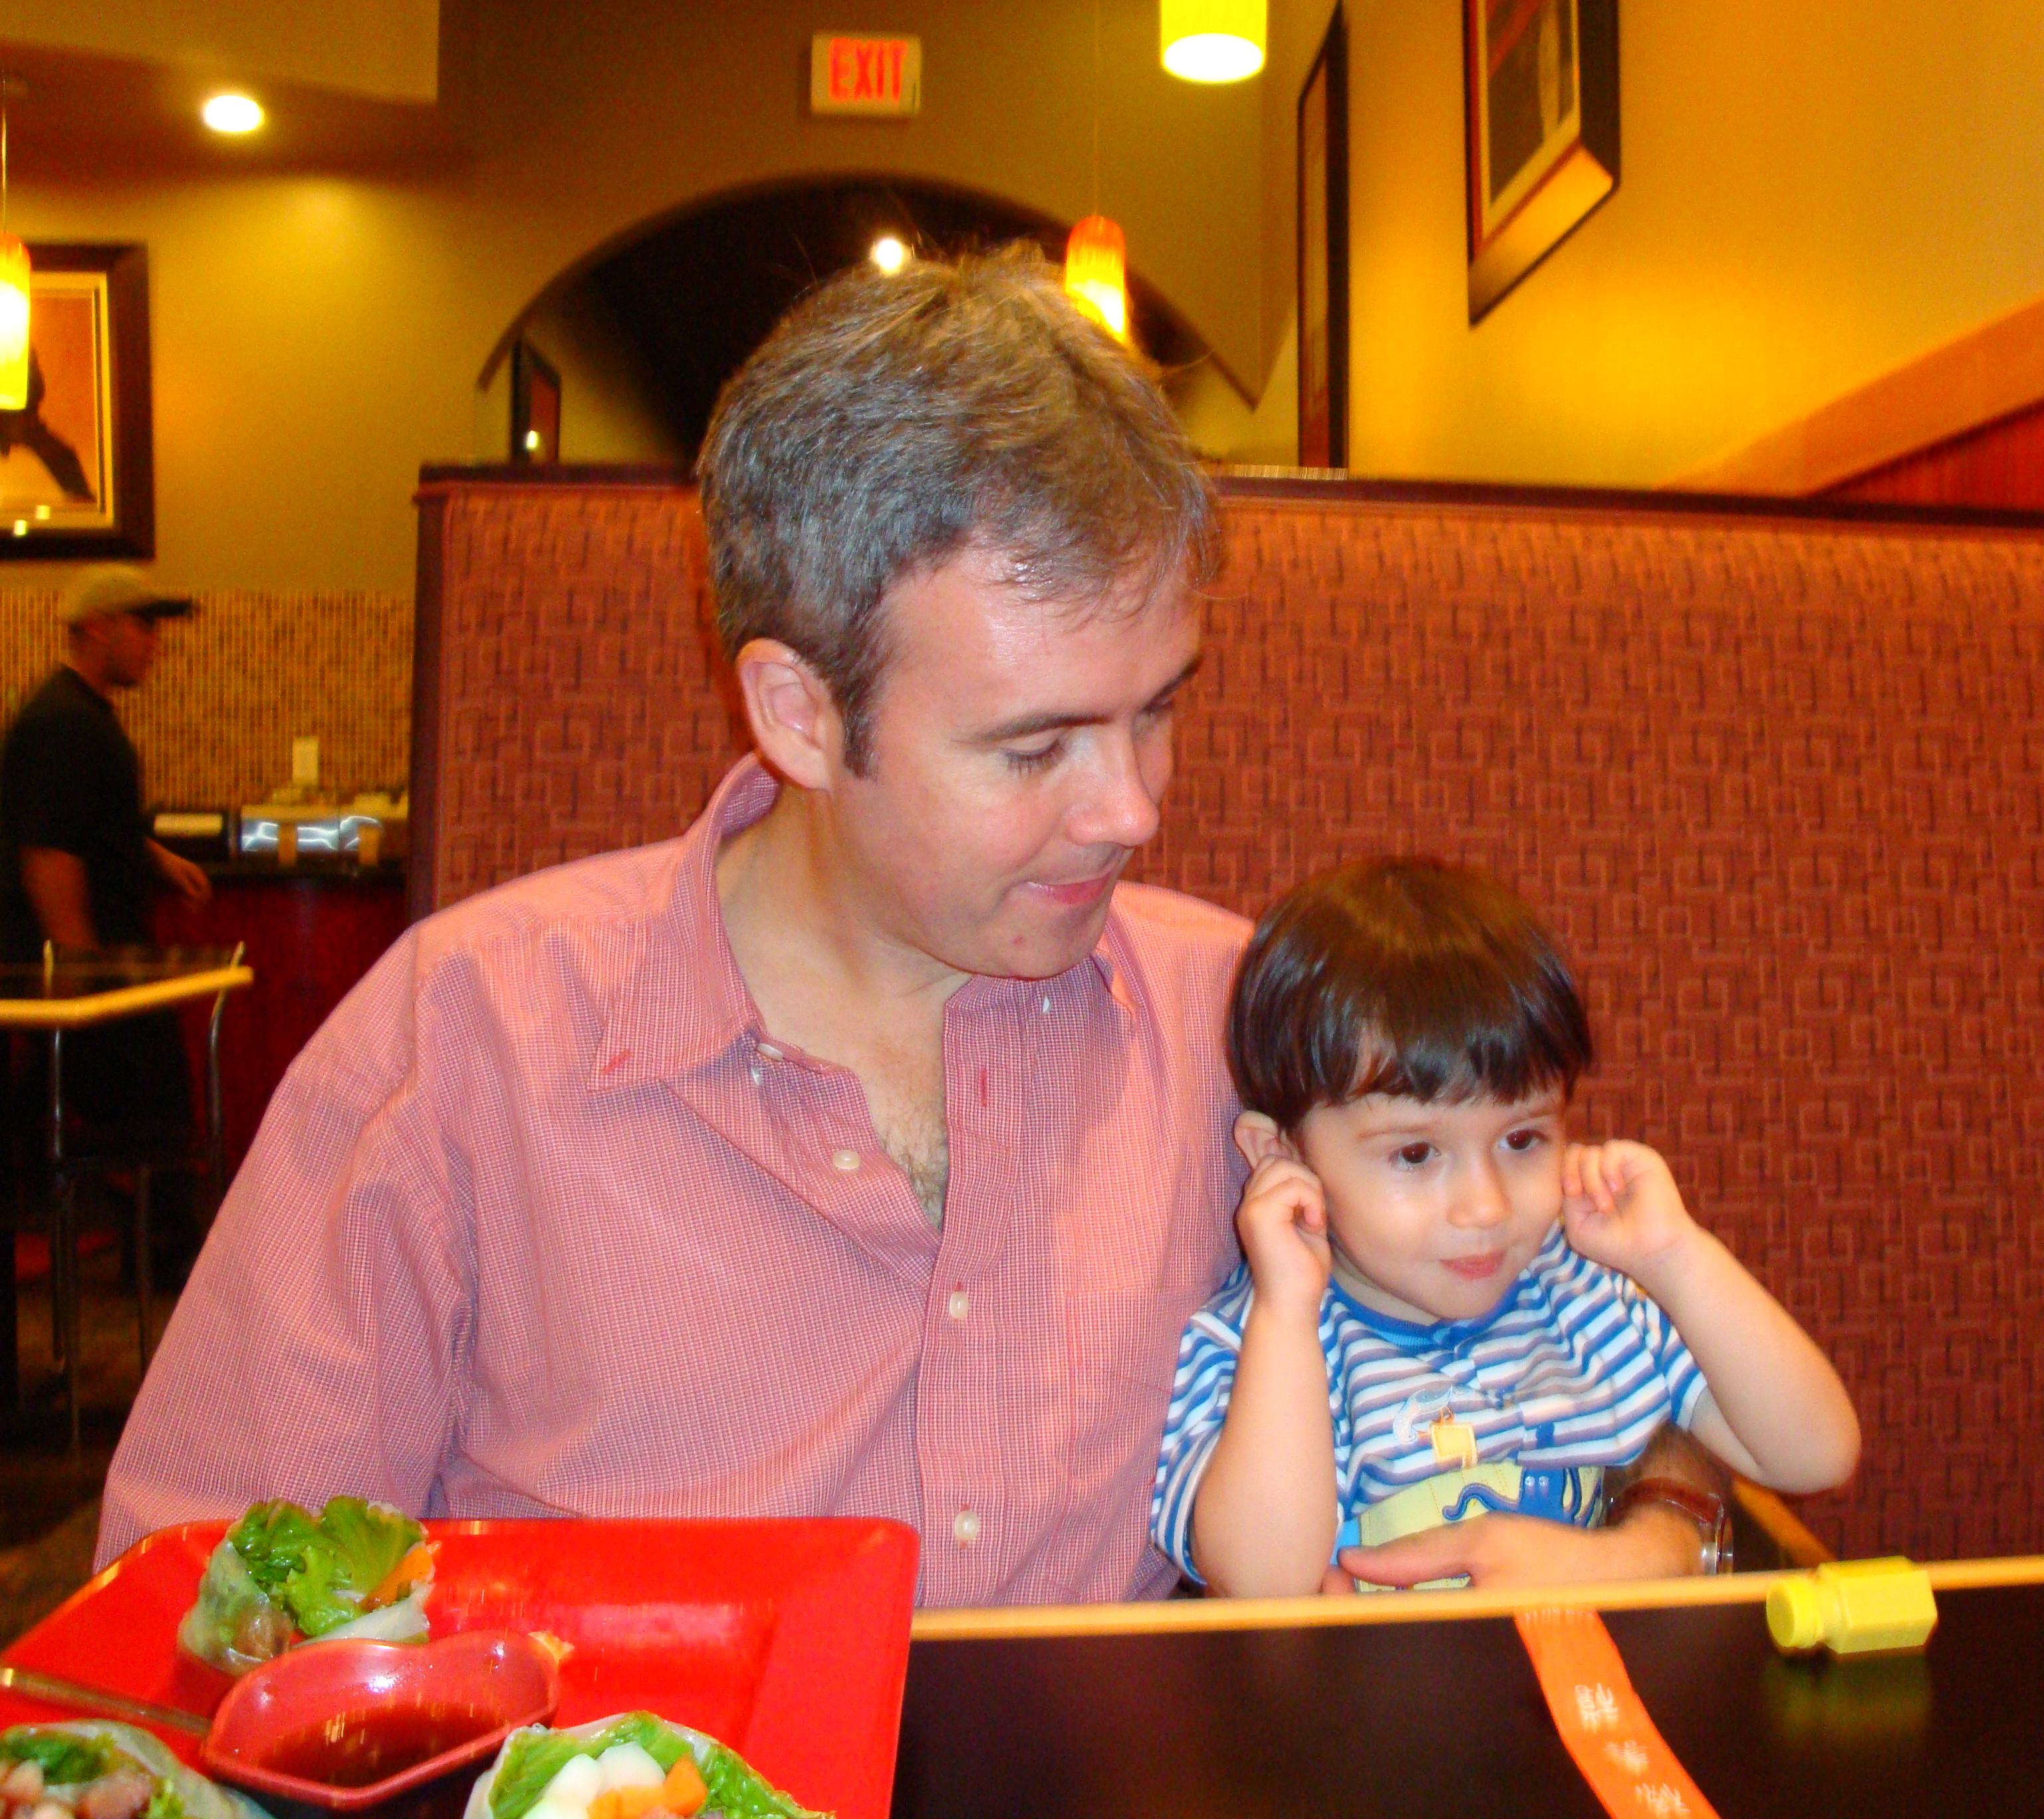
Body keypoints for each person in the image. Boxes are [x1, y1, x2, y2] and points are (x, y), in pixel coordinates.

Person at [100, 249, 1726, 1600]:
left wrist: (1661, 1535)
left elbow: (1602, 1345)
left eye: (1158, 709)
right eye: (1035, 747)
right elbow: (200, 1605)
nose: (1132, 809)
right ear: (798, 715)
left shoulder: (1254, 1020)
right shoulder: (464, 1040)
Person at [1152, 860, 1860, 1597]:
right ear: (1282, 1155)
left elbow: (1816, 1454)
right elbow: (1262, 1584)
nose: (1486, 1206)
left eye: (1523, 1140)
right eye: (1416, 1154)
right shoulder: (1256, 1342)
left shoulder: (1584, 1298)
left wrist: (1676, 1257)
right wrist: (1288, 1313)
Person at [2, 566, 213, 1277]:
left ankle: (157, 1258)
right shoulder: (61, 724)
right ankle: (163, 1266)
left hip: (107, 964)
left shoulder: (81, 716)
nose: (155, 643)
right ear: (98, 628)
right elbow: (48, 852)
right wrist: (82, 973)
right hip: (91, 970)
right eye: (144, 626)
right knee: (148, 1115)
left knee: (147, 1112)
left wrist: (159, 860)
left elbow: (90, 823)